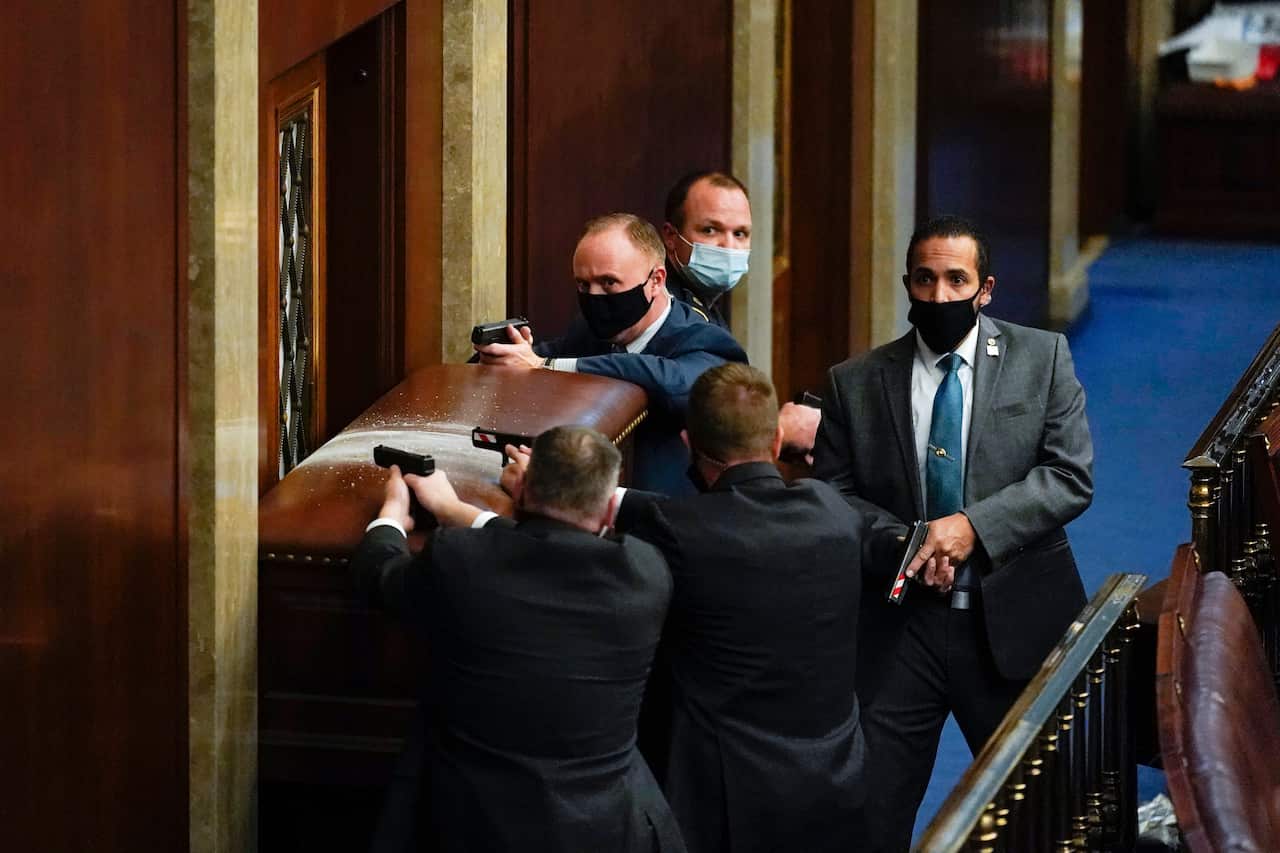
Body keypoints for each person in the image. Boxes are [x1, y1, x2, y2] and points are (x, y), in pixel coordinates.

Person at [503, 364, 895, 853]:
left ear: (688, 444)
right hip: (835, 782)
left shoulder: (678, 529)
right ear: (776, 442)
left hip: (727, 801)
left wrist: (540, 482)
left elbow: (626, 516)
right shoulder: (832, 509)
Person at [812, 215, 1094, 852]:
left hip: (1012, 622)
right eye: (925, 279)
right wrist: (907, 542)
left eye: (956, 280)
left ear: (985, 288)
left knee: (1041, 815)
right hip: (899, 629)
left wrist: (973, 526)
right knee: (868, 814)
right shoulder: (854, 382)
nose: (940, 296)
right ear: (907, 285)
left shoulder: (1042, 359)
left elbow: (1069, 476)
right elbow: (834, 496)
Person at [351, 426, 686, 853]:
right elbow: (547, 551)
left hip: (475, 819)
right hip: (612, 823)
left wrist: (392, 518)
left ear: (522, 489)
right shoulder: (646, 573)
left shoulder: (461, 560)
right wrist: (457, 509)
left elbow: (377, 577)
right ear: (606, 514)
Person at [475, 212, 746, 495]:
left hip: (669, 519)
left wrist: (545, 365)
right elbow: (535, 358)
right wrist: (502, 355)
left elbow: (672, 383)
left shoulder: (708, 341)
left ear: (656, 280)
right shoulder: (591, 331)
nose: (594, 297)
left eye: (609, 283)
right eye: (583, 284)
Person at [659, 170, 752, 330]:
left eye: (739, 233)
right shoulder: (661, 312)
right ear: (671, 236)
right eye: (710, 230)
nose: (729, 245)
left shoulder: (705, 309)